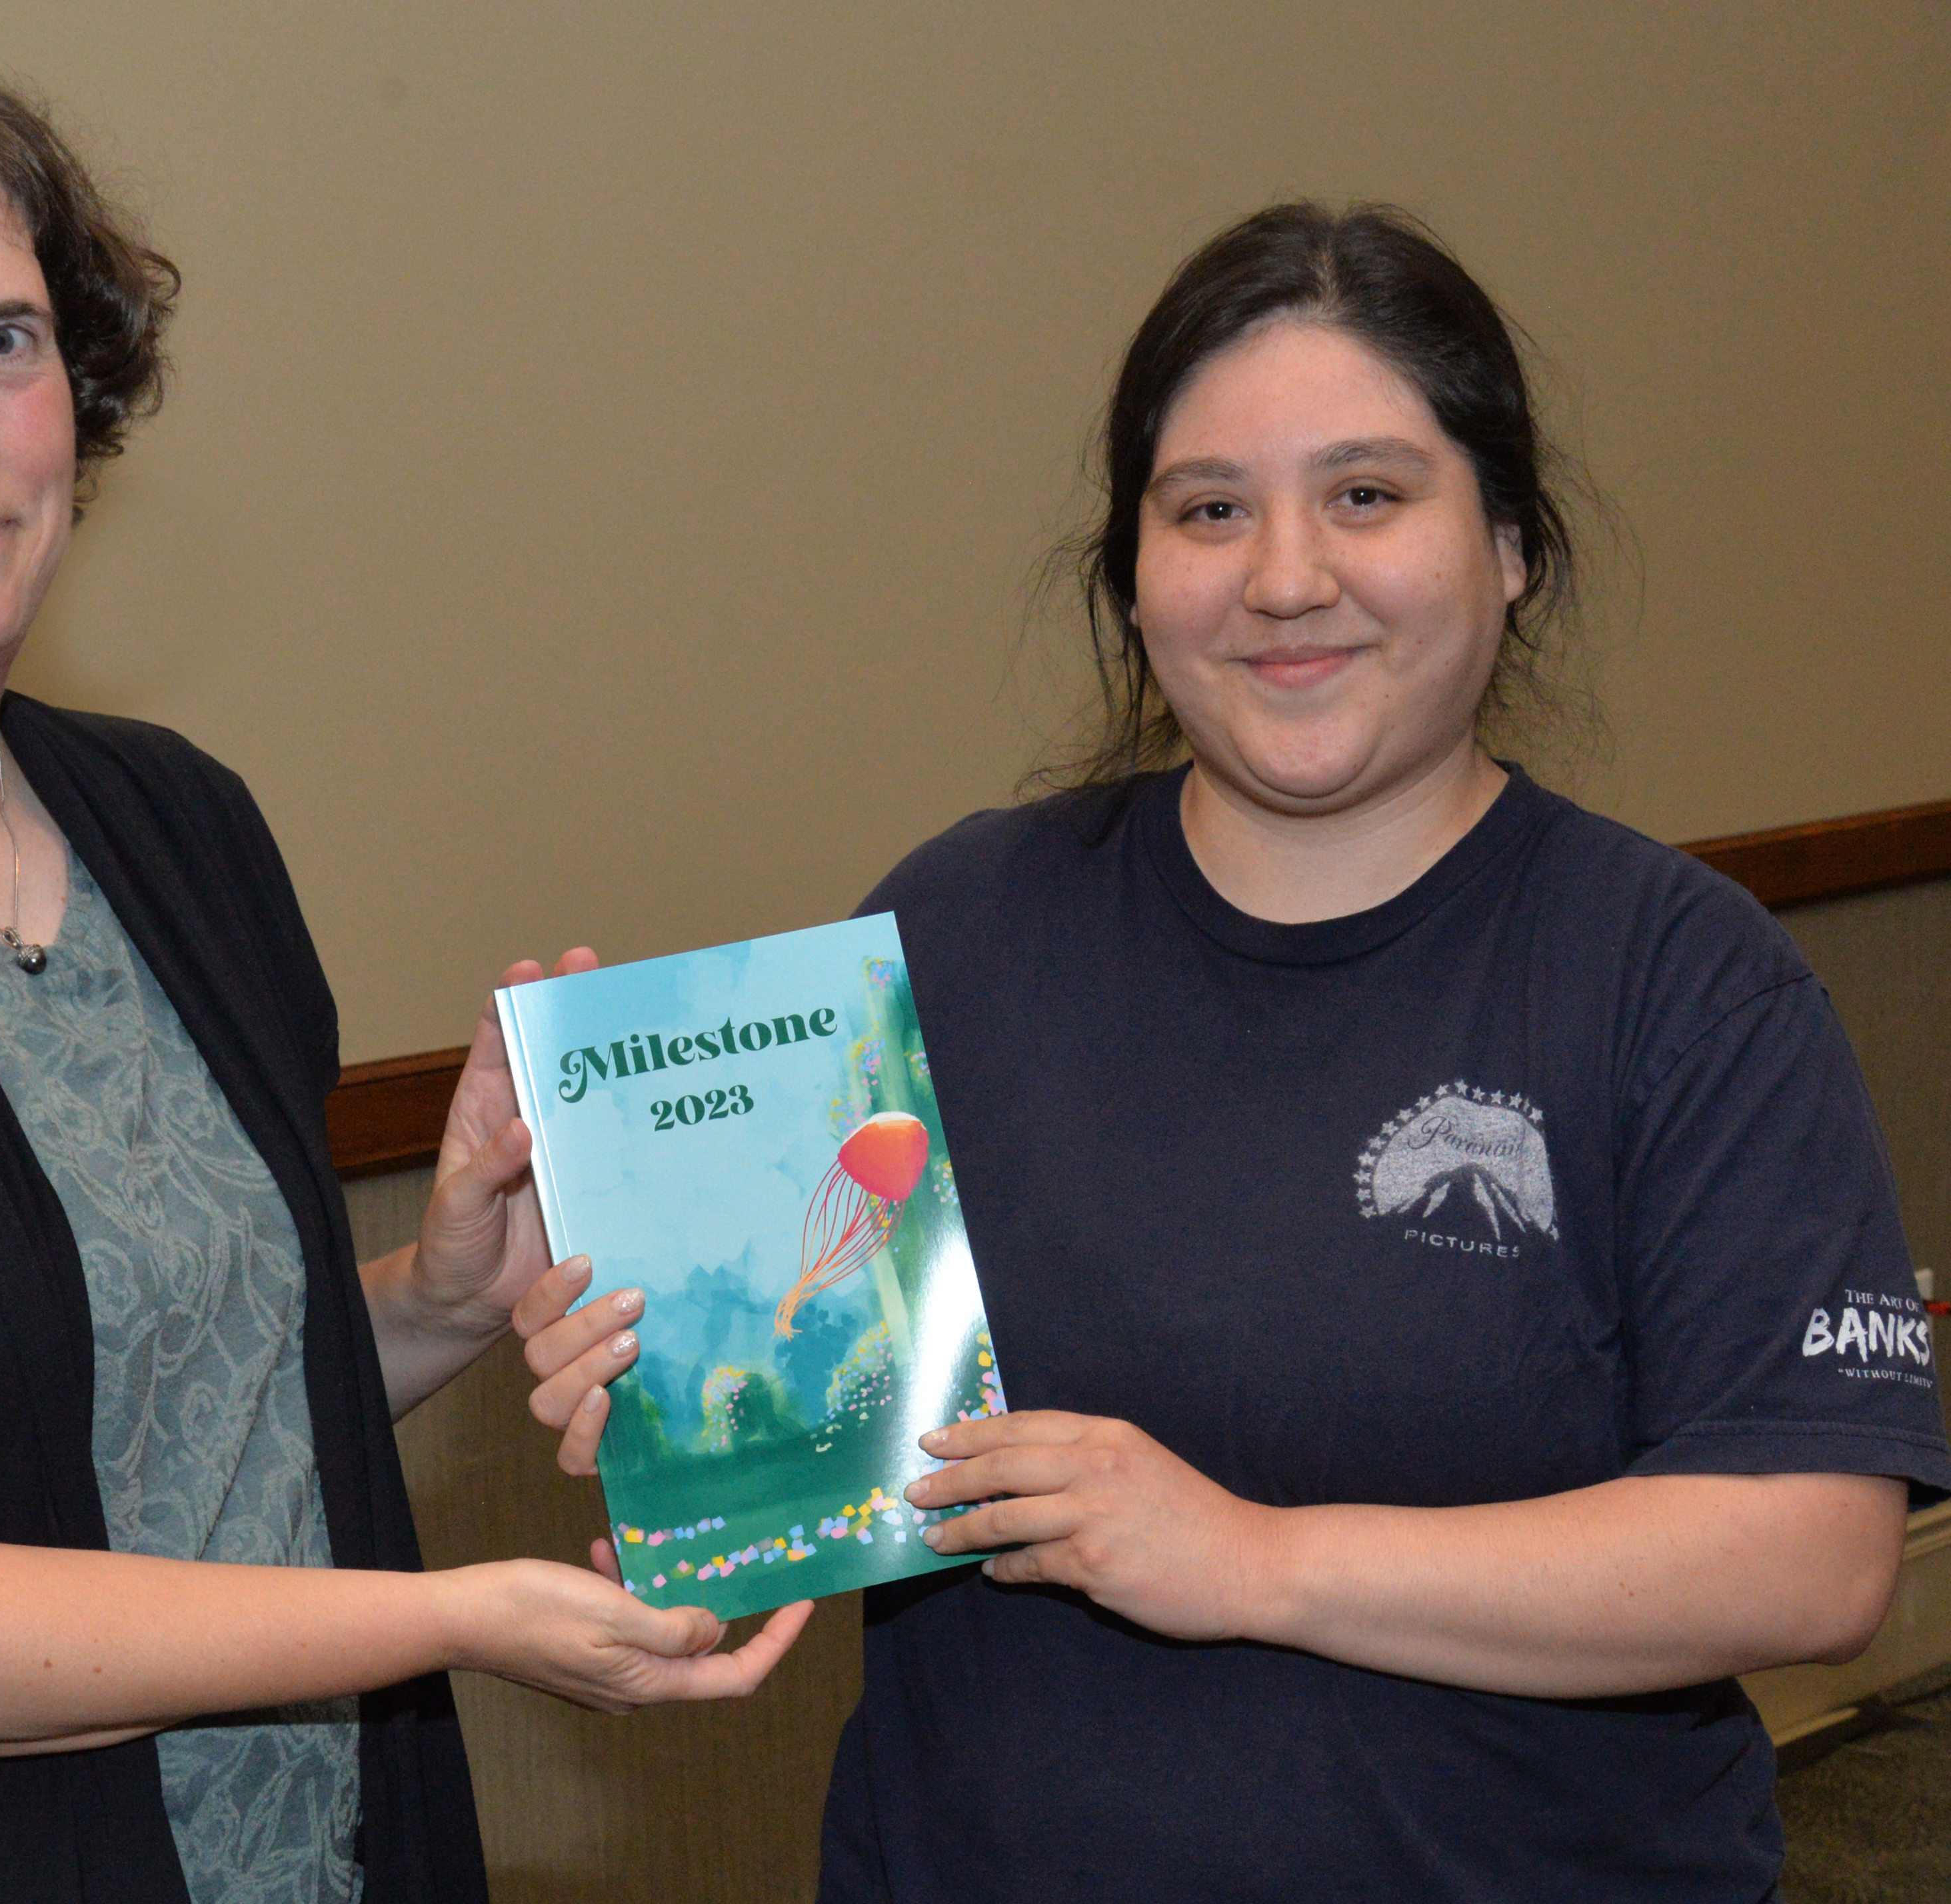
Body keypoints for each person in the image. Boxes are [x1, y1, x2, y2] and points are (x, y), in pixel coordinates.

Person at [0, 41, 805, 1904]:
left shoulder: (177, 826)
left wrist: (435, 1294)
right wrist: (444, 1617)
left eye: (3, 341)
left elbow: (152, 1417)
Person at [523, 203, 1951, 1900]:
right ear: (1135, 576)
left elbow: (1809, 1559)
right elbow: (838, 1427)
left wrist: (1257, 1563)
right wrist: (696, 1432)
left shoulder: (1679, 983)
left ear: (1508, 544)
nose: (1285, 577)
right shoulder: (959, 930)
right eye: (1211, 510)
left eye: (1368, 494)